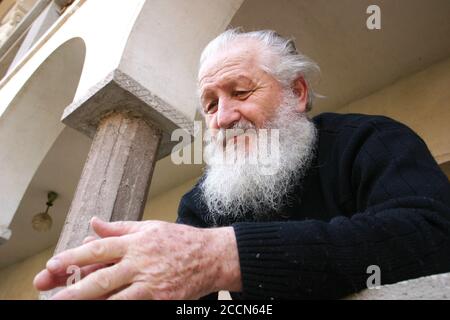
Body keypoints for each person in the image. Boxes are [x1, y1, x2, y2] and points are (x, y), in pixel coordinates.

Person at [34, 29, 450, 300]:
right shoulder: (200, 204)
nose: (223, 117)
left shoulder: (369, 140)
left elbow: (434, 234)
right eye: (210, 104)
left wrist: (224, 255)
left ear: (298, 93)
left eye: (241, 92)